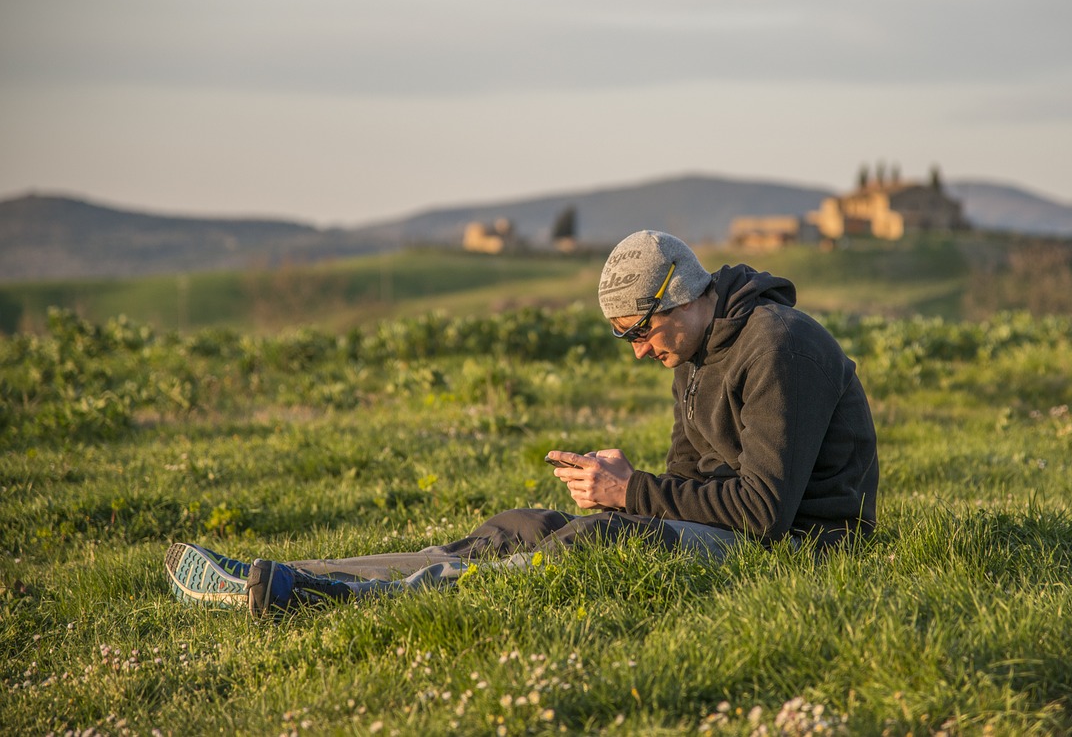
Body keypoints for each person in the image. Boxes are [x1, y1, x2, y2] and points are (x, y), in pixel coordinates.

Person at [165, 230, 878, 617]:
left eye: (637, 332)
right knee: (523, 526)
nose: (637, 353)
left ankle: (349, 602)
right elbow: (691, 481)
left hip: (803, 548)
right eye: (623, 338)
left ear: (681, 296)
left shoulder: (780, 347)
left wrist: (628, 495)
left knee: (602, 536)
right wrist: (630, 487)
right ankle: (288, 577)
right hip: (731, 530)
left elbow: (763, 513)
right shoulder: (692, 355)